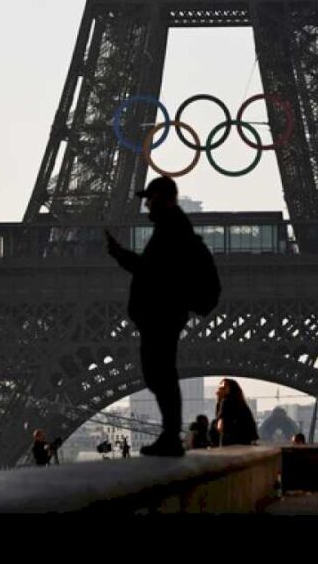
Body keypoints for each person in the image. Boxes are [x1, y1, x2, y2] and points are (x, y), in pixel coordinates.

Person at [104, 176, 196, 457]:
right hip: (163, 312)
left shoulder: (171, 228)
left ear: (164, 199)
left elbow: (151, 269)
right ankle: (170, 434)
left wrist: (120, 254)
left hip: (162, 312)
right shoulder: (170, 227)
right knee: (159, 373)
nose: (146, 204)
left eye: (150, 199)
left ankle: (170, 436)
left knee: (160, 373)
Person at [211, 378, 258, 447]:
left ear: (229, 390)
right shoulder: (241, 405)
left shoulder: (226, 402)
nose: (217, 392)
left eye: (222, 389)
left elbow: (220, 425)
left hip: (230, 443)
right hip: (244, 443)